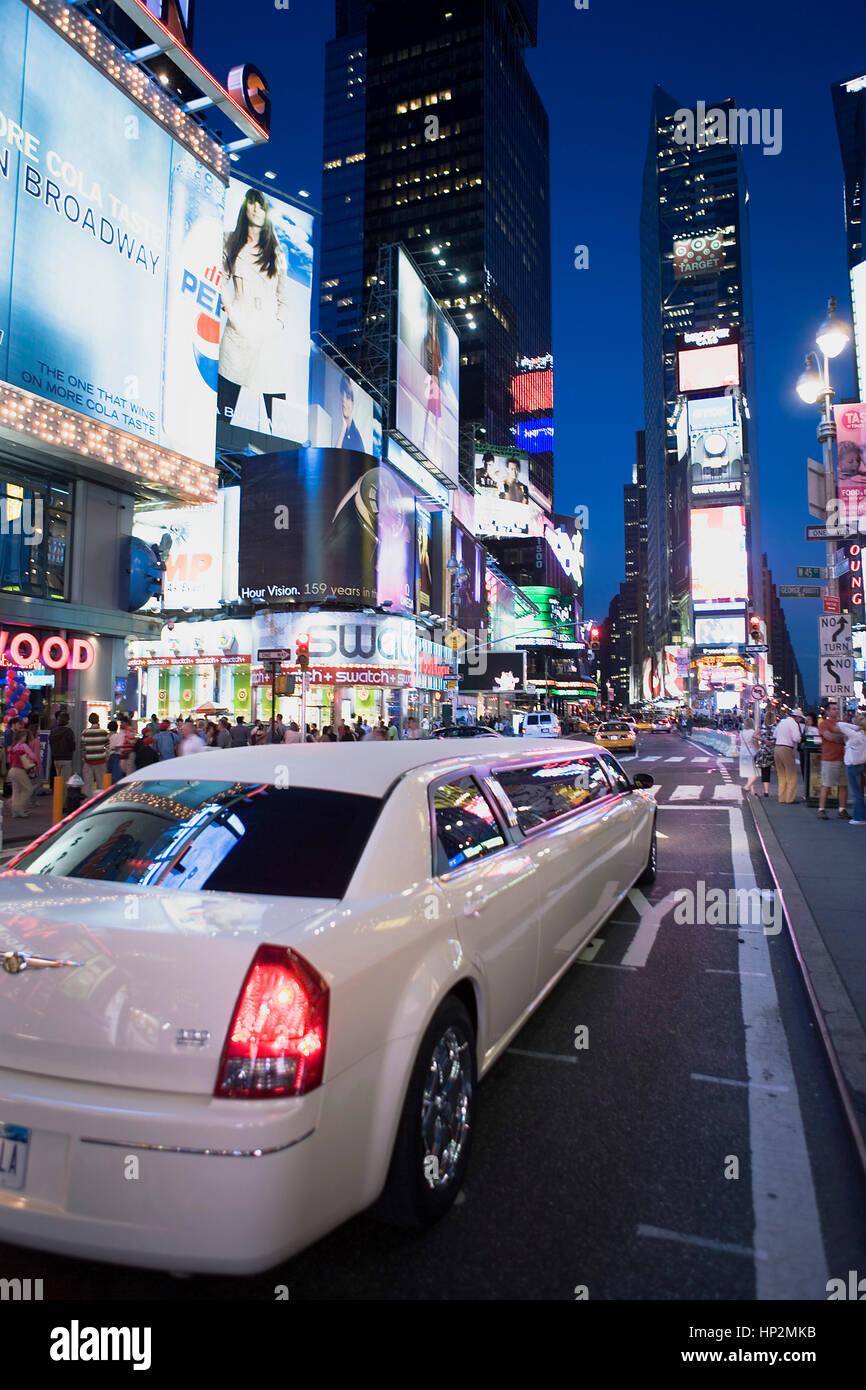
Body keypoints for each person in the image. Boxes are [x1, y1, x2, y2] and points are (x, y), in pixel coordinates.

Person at [218, 188, 293, 434]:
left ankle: (280, 467)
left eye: (261, 206)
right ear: (245, 208)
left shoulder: (277, 252)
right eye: (252, 205)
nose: (256, 210)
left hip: (267, 335)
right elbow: (219, 278)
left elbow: (285, 296)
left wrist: (278, 324)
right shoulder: (231, 241)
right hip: (239, 331)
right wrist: (230, 309)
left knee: (277, 412)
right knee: (224, 407)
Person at [817, 702, 849, 820]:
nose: (836, 711)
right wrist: (842, 737)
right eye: (834, 709)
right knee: (827, 784)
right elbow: (829, 737)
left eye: (837, 709)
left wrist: (838, 736)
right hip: (829, 758)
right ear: (828, 711)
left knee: (843, 785)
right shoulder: (824, 724)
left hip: (843, 758)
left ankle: (842, 809)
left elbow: (848, 737)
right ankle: (822, 809)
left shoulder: (841, 724)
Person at [836, 712, 866, 825]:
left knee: (856, 793)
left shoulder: (856, 735)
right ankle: (861, 815)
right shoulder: (863, 735)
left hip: (852, 765)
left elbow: (840, 725)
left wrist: (855, 727)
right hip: (860, 764)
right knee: (859, 792)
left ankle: (859, 818)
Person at [773, 708, 802, 804]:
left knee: (781, 775)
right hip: (786, 748)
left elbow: (775, 734)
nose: (800, 720)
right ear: (797, 717)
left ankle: (781, 798)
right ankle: (789, 799)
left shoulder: (782, 722)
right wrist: (801, 738)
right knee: (791, 775)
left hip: (777, 748)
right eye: (800, 718)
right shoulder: (793, 724)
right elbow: (796, 738)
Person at [8, 728, 38, 817]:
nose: (26, 738)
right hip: (20, 770)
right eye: (25, 736)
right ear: (21, 737)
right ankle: (19, 808)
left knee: (16, 790)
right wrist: (35, 762)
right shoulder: (23, 746)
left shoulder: (12, 747)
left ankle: (15, 810)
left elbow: (9, 759)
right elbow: (32, 755)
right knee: (28, 789)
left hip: (12, 770)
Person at [333, 375, 367, 452]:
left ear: (352, 404)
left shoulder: (356, 438)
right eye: (342, 396)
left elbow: (335, 458)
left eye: (347, 397)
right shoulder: (341, 427)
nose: (344, 401)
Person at [81, 713, 109, 797]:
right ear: (98, 720)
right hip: (101, 760)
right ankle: (100, 801)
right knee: (101, 783)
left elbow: (83, 747)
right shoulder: (103, 732)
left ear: (89, 721)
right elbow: (108, 746)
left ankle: (86, 802)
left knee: (87, 783)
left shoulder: (85, 732)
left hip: (88, 761)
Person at [49, 710, 75, 783]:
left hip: (56, 759)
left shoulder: (53, 731)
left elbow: (50, 743)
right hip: (66, 758)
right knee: (65, 781)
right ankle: (63, 794)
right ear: (68, 721)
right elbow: (72, 745)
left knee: (58, 779)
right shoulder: (69, 732)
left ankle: (58, 793)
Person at [754, 718, 776, 798]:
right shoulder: (776, 727)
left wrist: (763, 740)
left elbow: (754, 735)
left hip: (763, 750)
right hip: (773, 750)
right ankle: (782, 790)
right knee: (777, 770)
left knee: (764, 770)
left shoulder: (761, 727)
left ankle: (766, 791)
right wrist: (772, 742)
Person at [738, 717, 760, 795]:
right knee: (757, 772)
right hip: (752, 752)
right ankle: (747, 786)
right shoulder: (753, 732)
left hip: (743, 753)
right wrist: (759, 749)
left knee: (749, 772)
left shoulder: (741, 732)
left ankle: (752, 791)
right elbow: (755, 743)